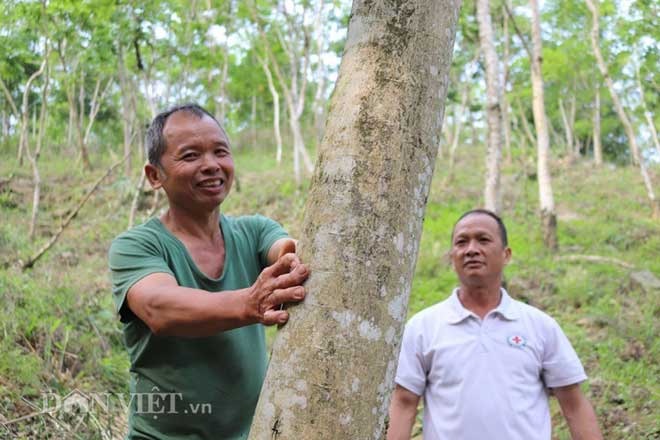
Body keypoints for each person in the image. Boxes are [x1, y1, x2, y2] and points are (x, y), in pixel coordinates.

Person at [108, 103, 309, 439]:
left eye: (220, 152)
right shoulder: (136, 246)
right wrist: (249, 303)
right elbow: (160, 307)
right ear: (155, 175)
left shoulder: (255, 232)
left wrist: (294, 259)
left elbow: (289, 253)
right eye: (190, 156)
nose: (211, 165)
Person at [387, 209, 602, 440]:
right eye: (461, 242)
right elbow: (403, 404)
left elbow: (574, 406)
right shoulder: (423, 327)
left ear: (506, 255)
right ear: (452, 257)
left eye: (483, 240)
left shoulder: (539, 326)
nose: (471, 250)